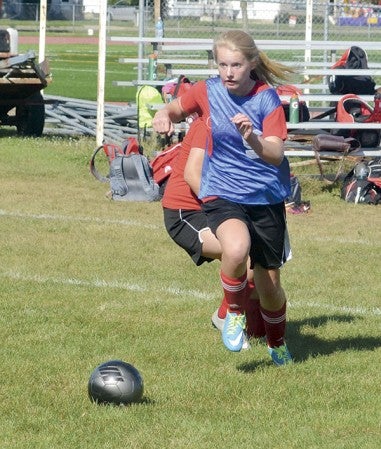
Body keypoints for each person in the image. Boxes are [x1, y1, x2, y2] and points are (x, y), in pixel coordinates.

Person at [153, 30, 293, 366]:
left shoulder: (267, 99)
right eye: (222, 65)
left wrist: (253, 139)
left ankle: (278, 344)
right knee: (235, 248)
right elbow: (175, 107)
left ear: (252, 64)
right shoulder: (207, 90)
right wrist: (162, 116)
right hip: (223, 193)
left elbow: (275, 154)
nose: (228, 72)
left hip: (265, 197)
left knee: (269, 285)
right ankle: (232, 313)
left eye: (236, 65)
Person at [162, 117, 266, 344]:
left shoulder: (246, 126)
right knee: (246, 256)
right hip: (186, 212)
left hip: (217, 209)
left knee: (261, 256)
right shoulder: (208, 123)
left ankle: (256, 331)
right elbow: (193, 175)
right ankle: (225, 317)